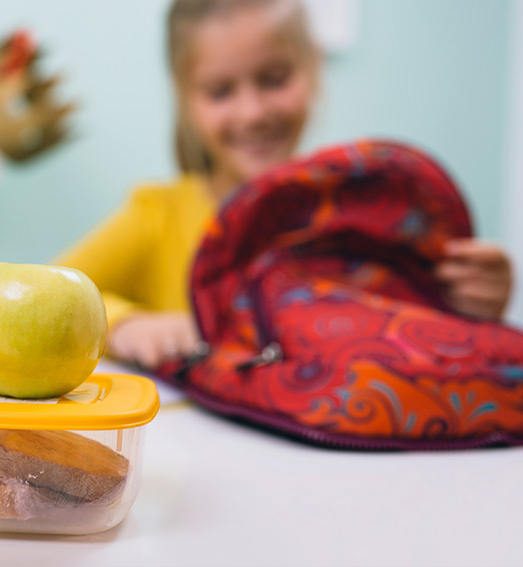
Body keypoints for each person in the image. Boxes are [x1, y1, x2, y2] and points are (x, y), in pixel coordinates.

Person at [55, 0, 513, 370]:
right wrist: (123, 324)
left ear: (312, 69)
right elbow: (48, 295)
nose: (252, 112)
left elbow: (404, 337)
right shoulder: (155, 215)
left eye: (274, 79)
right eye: (220, 91)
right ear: (185, 98)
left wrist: (471, 303)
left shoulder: (357, 215)